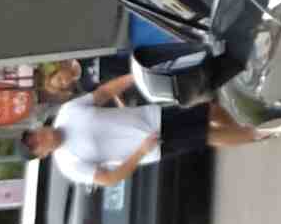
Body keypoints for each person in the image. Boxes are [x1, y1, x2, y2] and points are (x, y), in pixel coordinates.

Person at [20, 72, 258, 188]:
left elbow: (104, 93)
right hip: (153, 146)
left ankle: (246, 131)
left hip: (151, 117)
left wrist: (134, 76)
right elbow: (110, 178)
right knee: (206, 135)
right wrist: (141, 152)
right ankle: (256, 134)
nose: (39, 138)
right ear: (42, 155)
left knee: (211, 110)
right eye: (35, 145)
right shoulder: (69, 164)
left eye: (34, 135)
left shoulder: (67, 112)